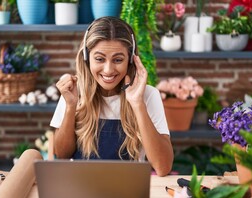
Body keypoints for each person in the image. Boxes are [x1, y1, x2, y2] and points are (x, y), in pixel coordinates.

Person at [50, 16, 173, 176]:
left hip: (128, 190)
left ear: (131, 60)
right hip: (80, 186)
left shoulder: (148, 95)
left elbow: (163, 168)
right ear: (87, 58)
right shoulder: (73, 91)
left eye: (118, 59)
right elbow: (62, 155)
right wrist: (70, 106)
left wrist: (137, 104)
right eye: (100, 59)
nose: (108, 70)